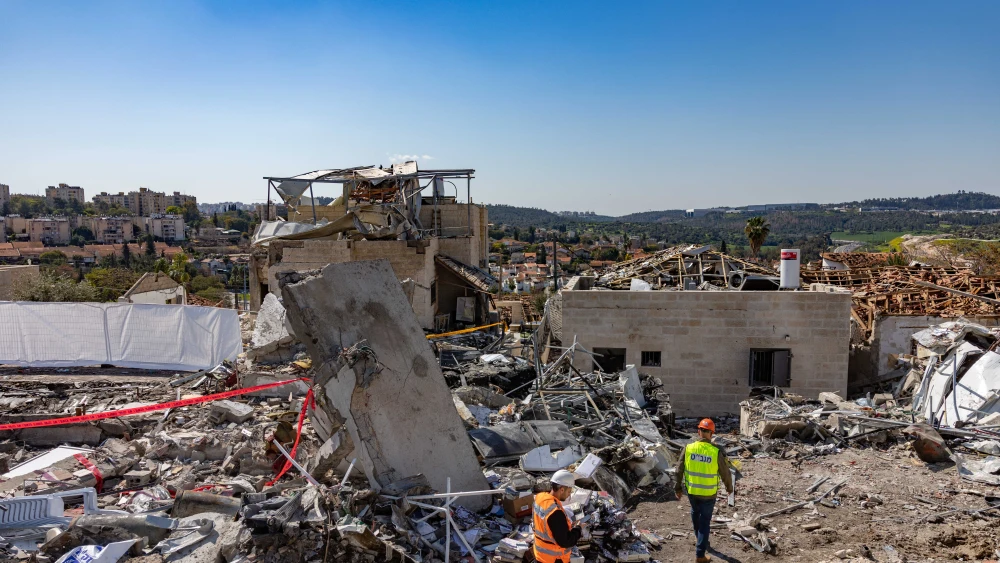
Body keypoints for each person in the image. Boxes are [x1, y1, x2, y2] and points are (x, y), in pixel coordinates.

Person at [675, 418, 734, 563]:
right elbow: (725, 472)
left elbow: (679, 469)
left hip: (692, 491)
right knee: (705, 522)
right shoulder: (715, 452)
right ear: (712, 434)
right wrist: (729, 488)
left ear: (699, 431)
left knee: (695, 513)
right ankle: (700, 555)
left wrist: (677, 487)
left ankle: (699, 539)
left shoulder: (688, 448)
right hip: (708, 493)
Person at [532, 469, 587, 563]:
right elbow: (566, 542)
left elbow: (546, 525)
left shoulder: (540, 498)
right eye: (569, 492)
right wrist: (578, 528)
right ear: (561, 489)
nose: (569, 495)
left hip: (540, 554)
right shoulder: (556, 512)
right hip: (554, 559)